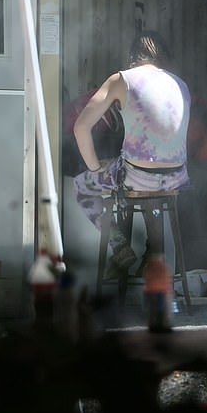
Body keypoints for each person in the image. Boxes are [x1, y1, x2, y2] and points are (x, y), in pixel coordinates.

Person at [73, 30, 191, 280]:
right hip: (176, 180)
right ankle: (154, 254)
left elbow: (81, 126)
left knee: (81, 187)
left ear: (133, 57)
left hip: (136, 177)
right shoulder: (180, 84)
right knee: (146, 189)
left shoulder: (121, 80)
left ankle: (120, 247)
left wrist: (95, 168)